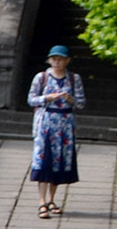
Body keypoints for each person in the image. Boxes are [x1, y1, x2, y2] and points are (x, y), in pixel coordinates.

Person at [28, 46, 85, 219]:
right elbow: (31, 99)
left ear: (67, 60)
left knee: (59, 162)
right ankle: (42, 201)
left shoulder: (74, 79)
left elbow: (81, 103)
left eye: (60, 59)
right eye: (54, 59)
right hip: (46, 123)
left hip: (65, 125)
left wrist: (70, 99)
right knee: (43, 161)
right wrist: (47, 98)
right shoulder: (42, 77)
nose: (57, 62)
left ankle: (52, 199)